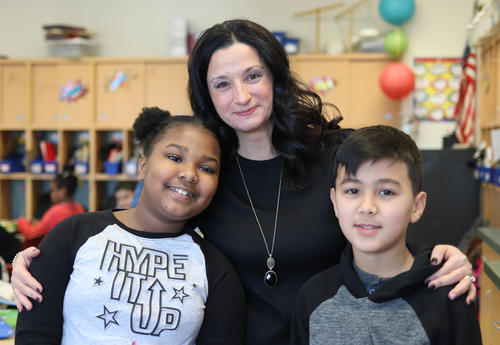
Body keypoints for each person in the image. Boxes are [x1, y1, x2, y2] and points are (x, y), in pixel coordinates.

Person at [12, 19, 475, 345]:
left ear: (275, 77)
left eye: (253, 76)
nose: (242, 95)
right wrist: (41, 261)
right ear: (206, 95)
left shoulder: (337, 153)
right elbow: (141, 239)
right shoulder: (205, 174)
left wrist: (440, 255)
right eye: (222, 84)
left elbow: (386, 215)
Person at [15, 107, 245, 345]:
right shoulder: (74, 233)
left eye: (207, 168)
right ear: (143, 166)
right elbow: (35, 334)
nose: (189, 174)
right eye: (175, 158)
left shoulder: (215, 268)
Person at [290, 125, 482, 345]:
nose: (367, 207)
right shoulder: (312, 297)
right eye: (353, 191)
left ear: (417, 206)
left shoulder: (449, 294)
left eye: (386, 192)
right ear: (334, 202)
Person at [16, 170, 85, 240]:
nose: (50, 194)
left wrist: (21, 222)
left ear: (63, 191)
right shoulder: (79, 207)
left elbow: (32, 234)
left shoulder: (57, 211)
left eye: (52, 190)